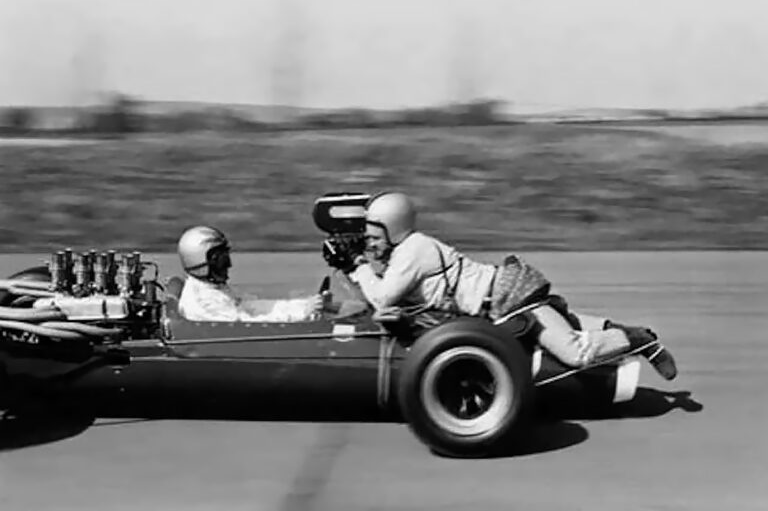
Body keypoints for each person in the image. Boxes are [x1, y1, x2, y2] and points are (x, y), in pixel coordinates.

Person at [326, 191, 677, 380]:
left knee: (574, 353)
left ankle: (642, 340)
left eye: (374, 237)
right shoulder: (406, 249)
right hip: (503, 297)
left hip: (510, 299)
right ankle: (618, 331)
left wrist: (356, 265)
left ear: (394, 229)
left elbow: (384, 295)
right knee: (566, 324)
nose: (370, 244)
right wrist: (360, 262)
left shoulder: (415, 250)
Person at [177, 225, 327, 322]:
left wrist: (302, 306)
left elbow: (250, 307)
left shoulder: (210, 288)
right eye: (222, 260)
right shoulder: (205, 301)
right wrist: (300, 315)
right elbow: (248, 326)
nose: (229, 265)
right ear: (201, 262)